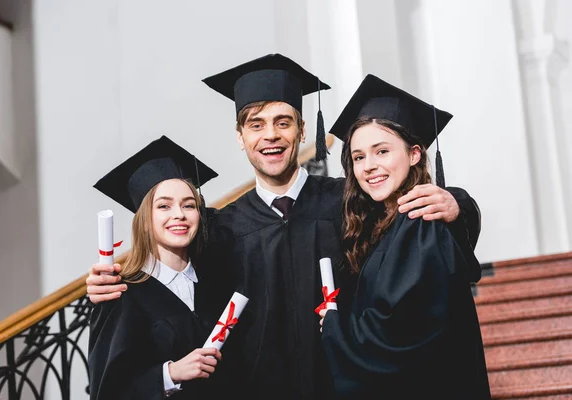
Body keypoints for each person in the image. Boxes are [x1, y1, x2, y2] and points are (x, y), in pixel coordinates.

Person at [87, 54, 482, 399]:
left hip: (351, 386)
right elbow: (169, 259)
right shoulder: (220, 228)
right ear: (240, 138)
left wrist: (457, 203)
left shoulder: (351, 202)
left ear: (303, 130)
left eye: (283, 122)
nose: (270, 135)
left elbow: (412, 236)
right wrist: (105, 283)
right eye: (255, 125)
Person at [318, 74, 491, 399]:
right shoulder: (382, 225)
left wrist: (335, 327)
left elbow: (401, 332)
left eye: (381, 151)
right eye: (358, 157)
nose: (369, 166)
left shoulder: (420, 223)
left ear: (414, 154)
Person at [88, 135, 228, 399]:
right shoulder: (122, 295)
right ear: (144, 220)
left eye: (189, 205)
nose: (179, 214)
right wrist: (169, 374)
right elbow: (107, 391)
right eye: (164, 205)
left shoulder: (214, 280)